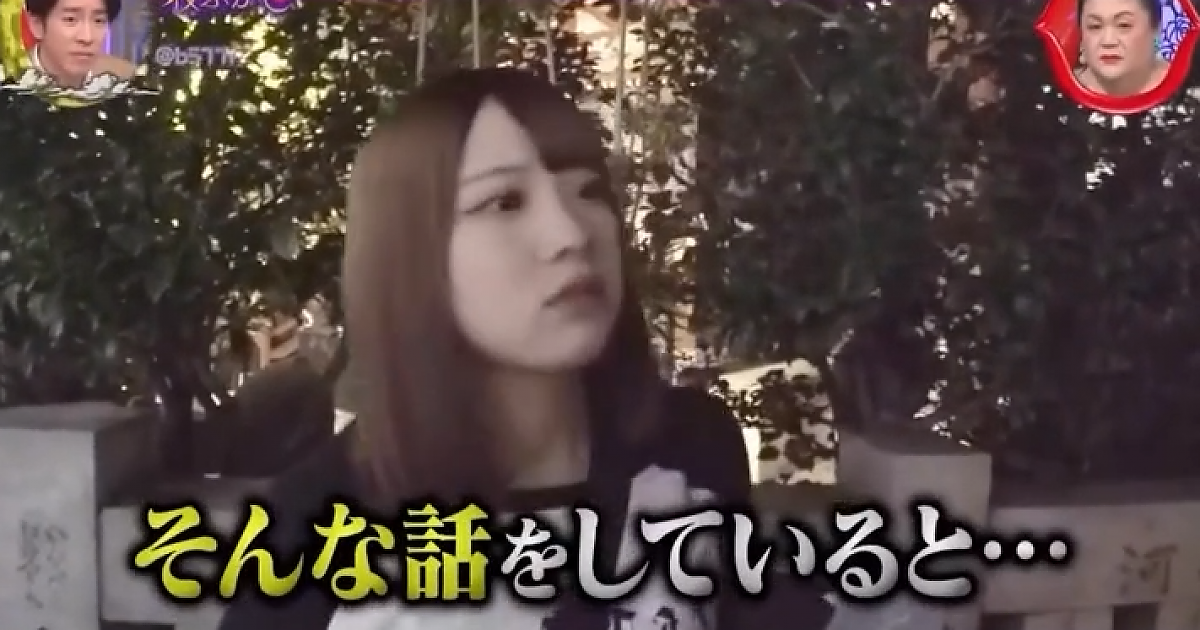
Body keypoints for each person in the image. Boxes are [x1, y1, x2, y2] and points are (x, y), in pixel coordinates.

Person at [217, 68, 831, 630]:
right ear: (411, 256)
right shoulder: (313, 525)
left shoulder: (692, 448)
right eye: (505, 202)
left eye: (589, 191)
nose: (571, 233)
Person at [24, 0, 134, 89]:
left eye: (98, 20)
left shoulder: (125, 81)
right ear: (37, 24)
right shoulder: (17, 80)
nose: (87, 37)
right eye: (70, 19)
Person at [1074, 0, 1168, 96]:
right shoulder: (1065, 93)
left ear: (1155, 29)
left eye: (1123, 25)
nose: (1108, 41)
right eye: (1095, 26)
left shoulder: (1177, 92)